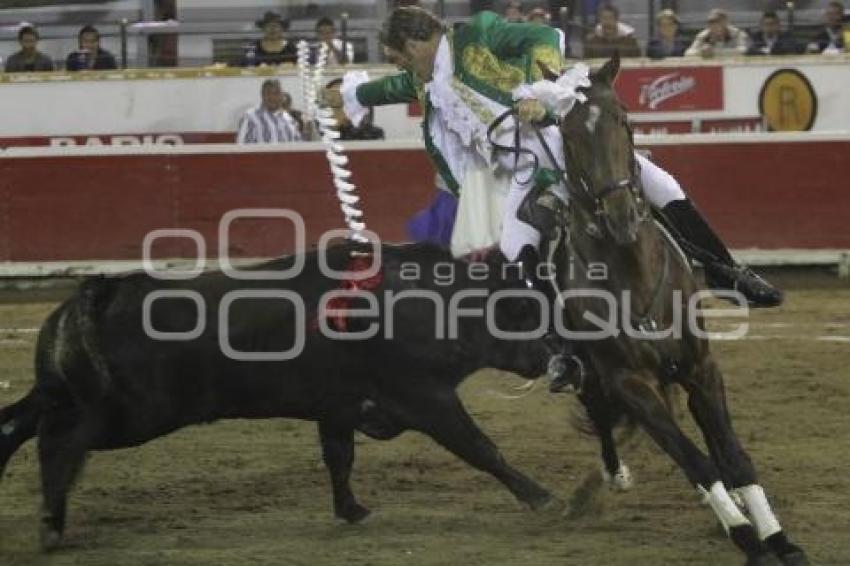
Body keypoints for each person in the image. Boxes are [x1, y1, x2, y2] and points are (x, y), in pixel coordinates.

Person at [326, 7, 782, 306]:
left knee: (659, 184)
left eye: (400, 55)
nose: (400, 64)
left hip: (558, 140)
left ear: (421, 39)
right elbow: (390, 87)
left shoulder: (474, 36)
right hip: (517, 169)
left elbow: (543, 34)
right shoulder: (427, 81)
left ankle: (726, 273)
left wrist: (533, 89)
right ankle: (561, 346)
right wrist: (347, 96)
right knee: (512, 249)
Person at [236, 79, 302, 144]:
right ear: (262, 95)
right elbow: (241, 147)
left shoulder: (288, 119)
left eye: (277, 93)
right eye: (268, 93)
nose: (272, 97)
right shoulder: (250, 117)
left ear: (282, 96)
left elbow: (298, 145)